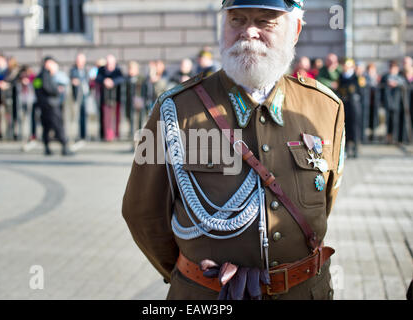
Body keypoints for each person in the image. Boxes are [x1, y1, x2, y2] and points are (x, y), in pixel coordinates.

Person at [122, 0, 345, 300]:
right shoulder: (175, 109)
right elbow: (143, 213)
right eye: (237, 20)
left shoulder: (325, 109)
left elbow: (325, 201)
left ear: (295, 31)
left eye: (266, 22)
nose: (249, 32)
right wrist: (194, 277)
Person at [33, 56, 73, 156]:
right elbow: (48, 88)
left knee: (46, 127)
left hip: (44, 105)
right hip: (51, 105)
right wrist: (57, 90)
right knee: (58, 126)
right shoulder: (45, 75)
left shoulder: (39, 75)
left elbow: (37, 88)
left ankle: (47, 148)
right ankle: (64, 147)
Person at [95, 54, 124, 141]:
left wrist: (113, 82)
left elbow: (121, 78)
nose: (109, 65)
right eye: (108, 63)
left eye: (111, 63)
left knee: (116, 118)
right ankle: (106, 135)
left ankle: (116, 134)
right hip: (105, 98)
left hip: (116, 98)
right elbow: (98, 78)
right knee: (105, 118)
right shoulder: (101, 69)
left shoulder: (118, 70)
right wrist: (105, 81)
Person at [338, 58, 362, 158]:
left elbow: (359, 90)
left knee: (355, 126)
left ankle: (356, 148)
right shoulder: (341, 76)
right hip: (345, 103)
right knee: (345, 126)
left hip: (354, 104)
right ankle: (346, 147)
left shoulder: (356, 77)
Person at [381, 60, 407, 144]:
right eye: (391, 67)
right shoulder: (385, 77)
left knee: (396, 121)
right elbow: (382, 83)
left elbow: (404, 83)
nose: (392, 69)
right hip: (388, 102)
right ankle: (389, 137)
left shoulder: (400, 77)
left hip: (397, 102)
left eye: (394, 67)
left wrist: (396, 84)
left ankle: (396, 138)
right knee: (388, 121)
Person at [123, 61, 146, 141]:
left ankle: (139, 132)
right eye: (129, 69)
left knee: (139, 118)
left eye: (133, 69)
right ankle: (131, 133)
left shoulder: (141, 78)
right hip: (129, 101)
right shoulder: (126, 78)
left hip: (139, 101)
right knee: (130, 117)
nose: (131, 71)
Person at [70, 53, 90, 141]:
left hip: (85, 95)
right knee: (77, 115)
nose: (80, 62)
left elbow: (87, 80)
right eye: (78, 61)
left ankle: (84, 134)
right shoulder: (73, 70)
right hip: (76, 96)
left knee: (84, 115)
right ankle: (77, 135)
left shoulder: (85, 70)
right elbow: (72, 79)